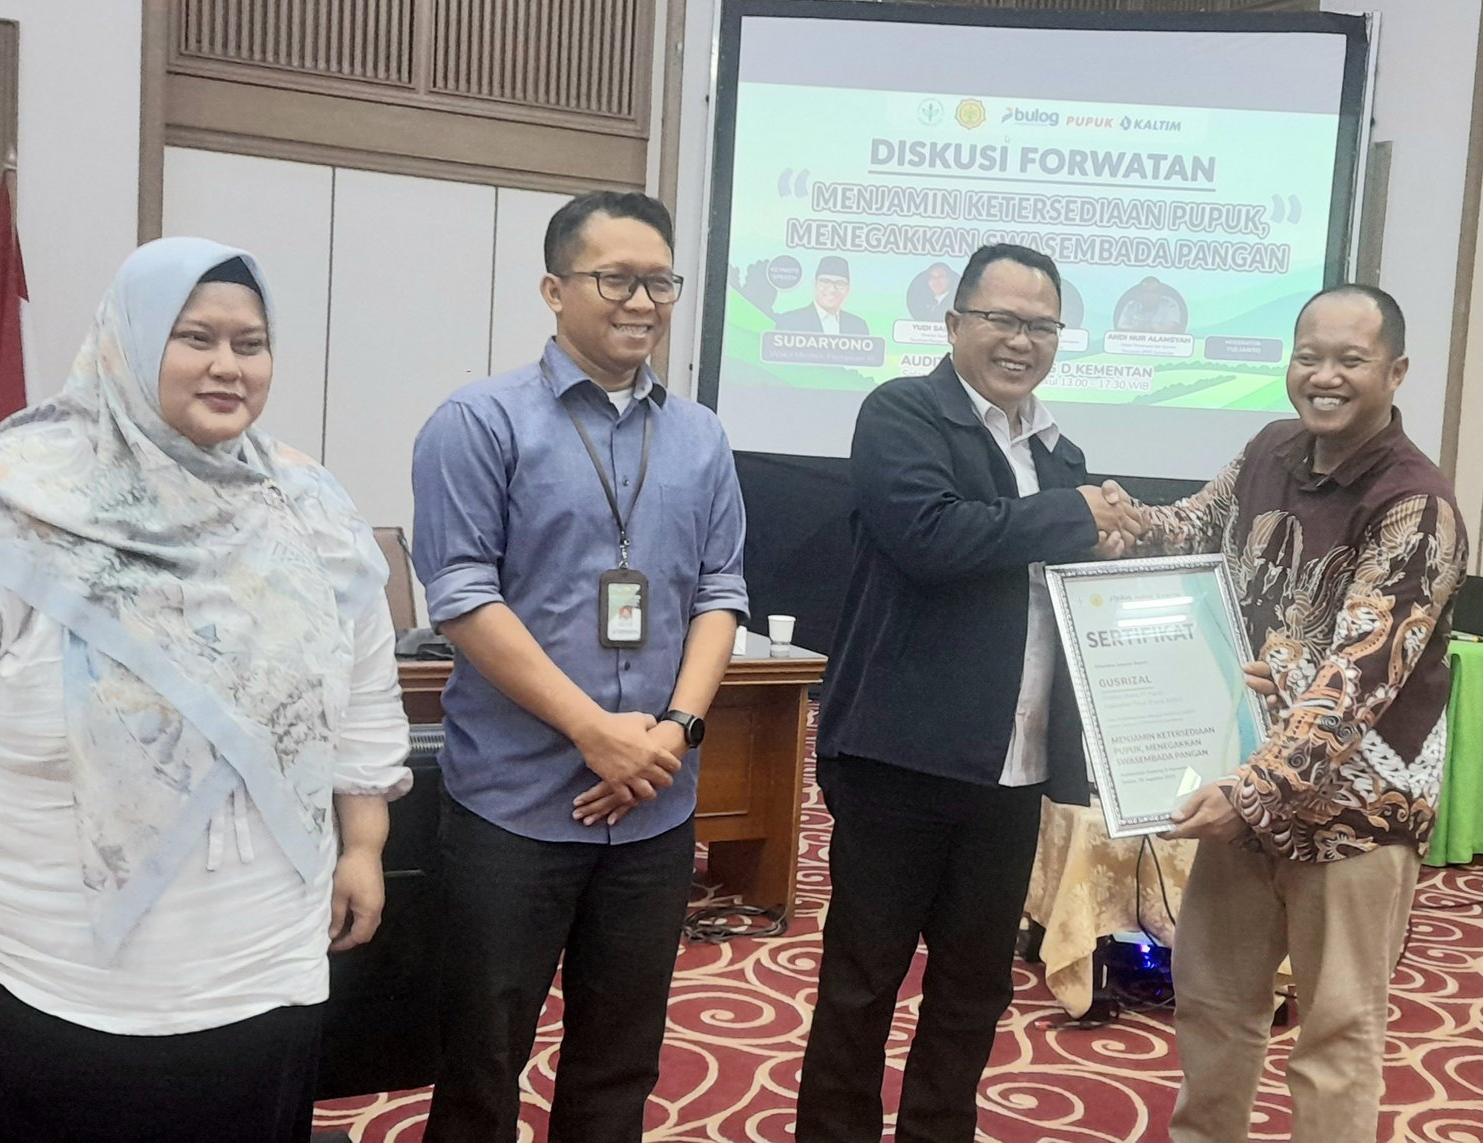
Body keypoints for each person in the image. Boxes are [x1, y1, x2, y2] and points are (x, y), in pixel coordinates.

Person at [0, 237, 413, 1143]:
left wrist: (364, 842)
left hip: (259, 968)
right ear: (126, 342)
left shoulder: (309, 507)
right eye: (194, 336)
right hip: (35, 971)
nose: (227, 365)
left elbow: (362, 687)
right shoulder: (0, 502)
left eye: (250, 343)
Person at [410, 190, 748, 1143]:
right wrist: (594, 732)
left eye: (659, 281)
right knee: (481, 1058)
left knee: (620, 1061)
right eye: (615, 279)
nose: (641, 301)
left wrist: (675, 731)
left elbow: (721, 591)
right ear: (555, 290)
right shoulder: (479, 421)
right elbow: (462, 598)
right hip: (514, 803)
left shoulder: (701, 437)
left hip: (654, 805)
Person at [796, 243, 1144, 1143]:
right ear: (955, 325)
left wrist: (1101, 549)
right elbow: (931, 535)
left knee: (973, 989)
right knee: (862, 983)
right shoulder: (903, 412)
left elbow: (1049, 577)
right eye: (1002, 319)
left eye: (1042, 325)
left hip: (1011, 769)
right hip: (899, 759)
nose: (1021, 340)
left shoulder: (1059, 452)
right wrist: (1074, 516)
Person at [1133, 285, 1468, 1142]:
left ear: (1395, 371)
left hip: (1355, 813)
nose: (1324, 376)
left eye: (1350, 360)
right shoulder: (1269, 449)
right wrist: (1107, 522)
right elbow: (1188, 527)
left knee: (1336, 1033)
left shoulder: (1417, 505)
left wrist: (1251, 790)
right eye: (1309, 355)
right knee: (1212, 1003)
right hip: (1247, 788)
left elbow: (1356, 681)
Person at [777, 255, 871, 334]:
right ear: (815, 284)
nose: (832, 289)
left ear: (848, 289)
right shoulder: (789, 322)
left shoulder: (858, 326)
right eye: (825, 282)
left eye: (840, 284)